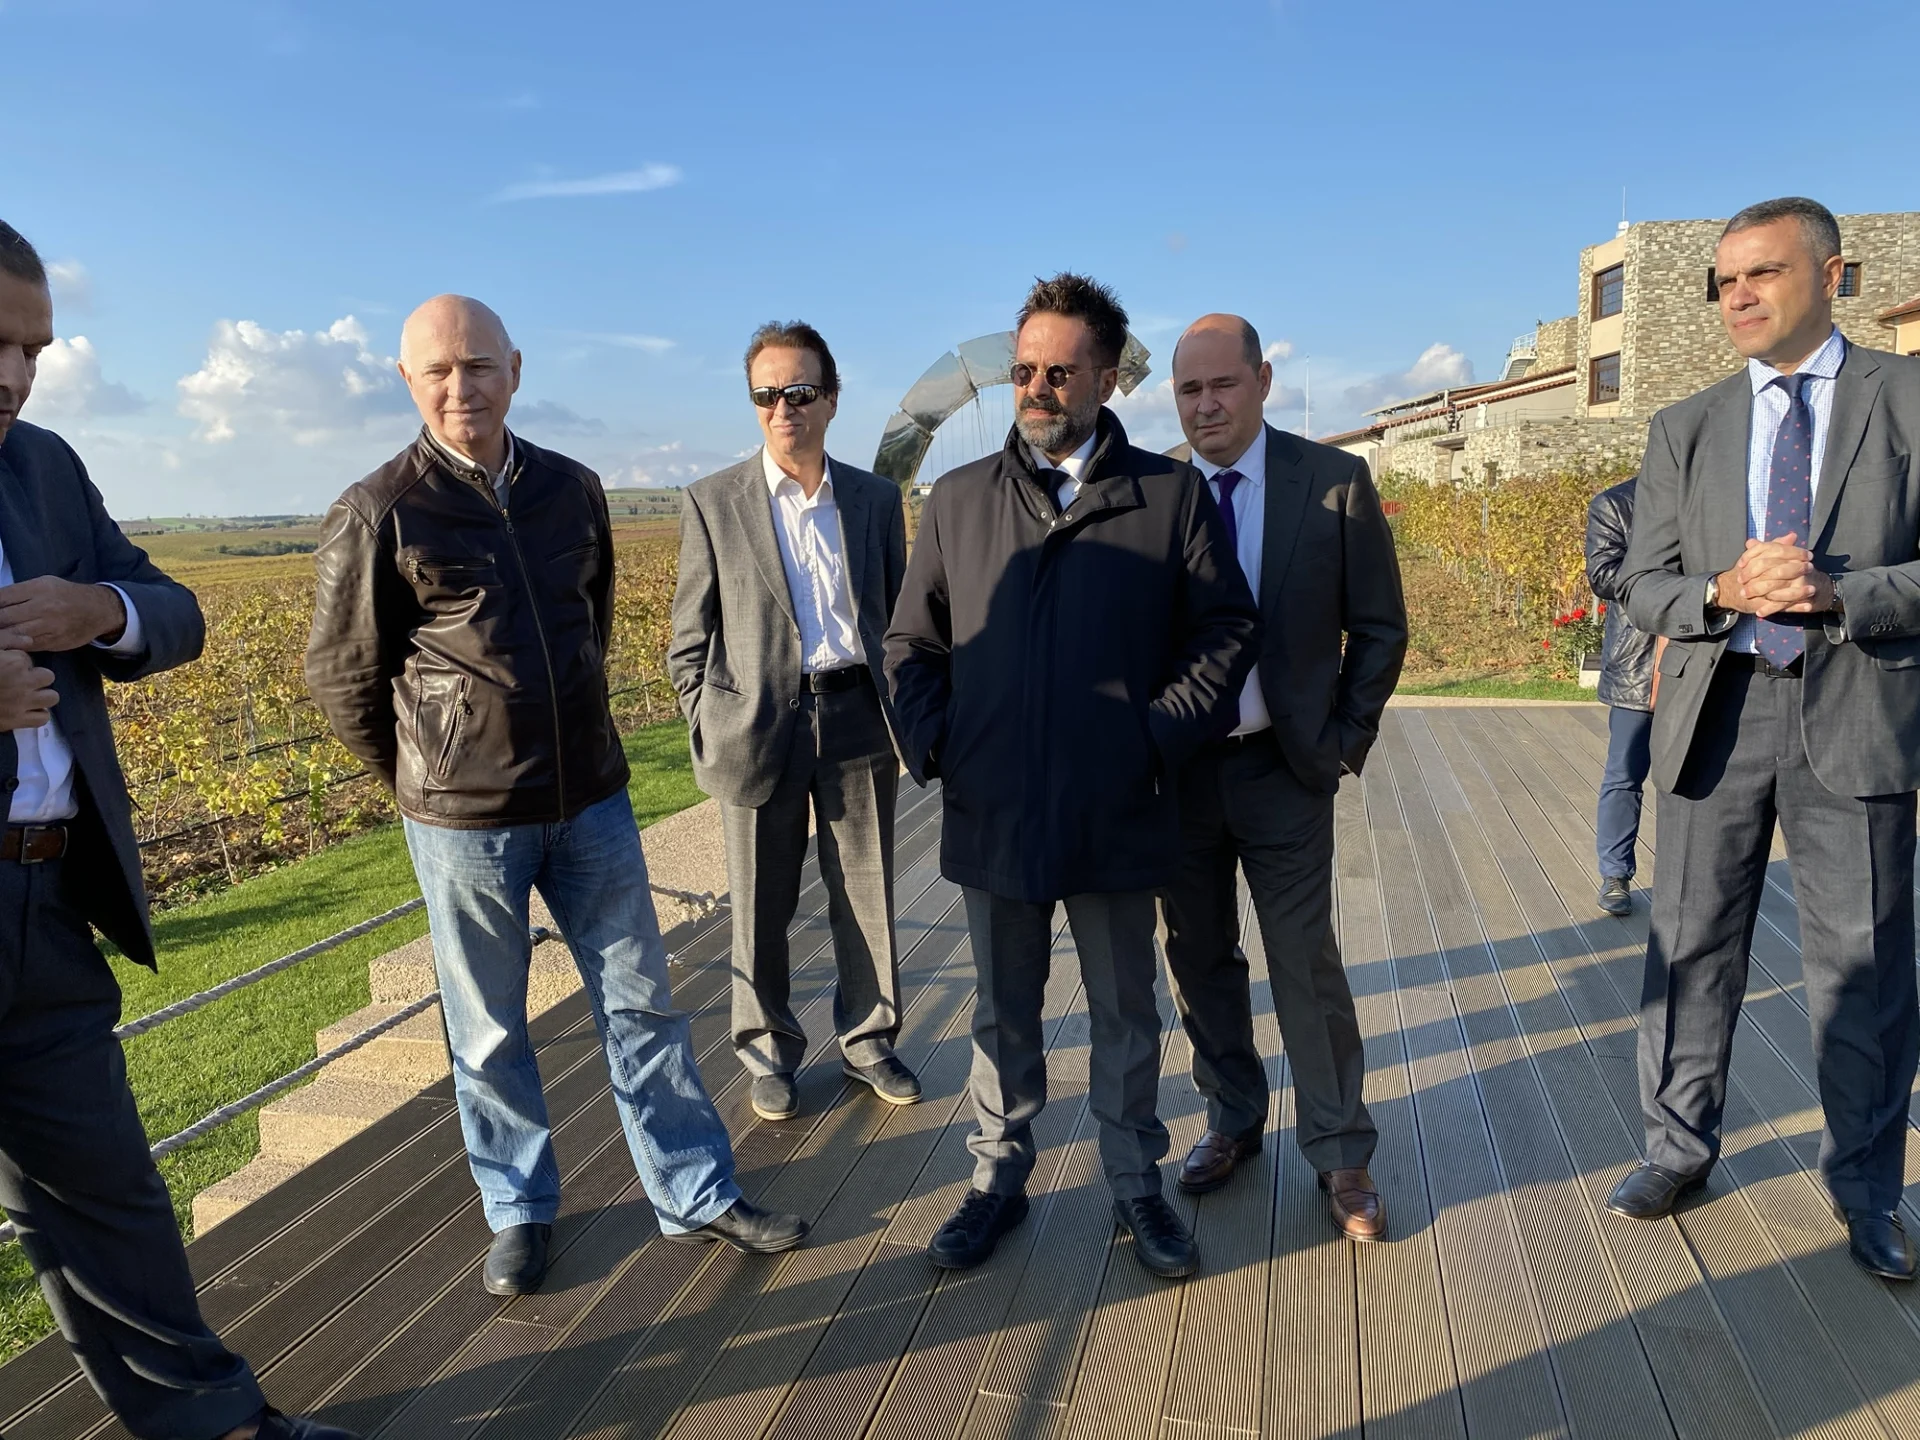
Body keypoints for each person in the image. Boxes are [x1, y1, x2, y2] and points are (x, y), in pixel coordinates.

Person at [307, 295, 807, 1299]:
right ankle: (518, 1210)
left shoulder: (573, 489)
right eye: (439, 370)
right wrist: (428, 770)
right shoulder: (378, 511)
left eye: (479, 365)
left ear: (516, 369)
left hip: (592, 800)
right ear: (408, 381)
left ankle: (695, 1191)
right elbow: (343, 676)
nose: (461, 387)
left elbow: (590, 623)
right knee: (488, 1028)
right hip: (463, 823)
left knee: (644, 1004)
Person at [0, 221, 350, 1439]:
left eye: (35, 349)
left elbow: (176, 608)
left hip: (46, 906)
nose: (15, 375)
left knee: (110, 1199)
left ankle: (218, 1427)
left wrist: (98, 609)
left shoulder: (44, 466)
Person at [885, 274, 1260, 1279]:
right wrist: (941, 746)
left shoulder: (1169, 497)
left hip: (1119, 807)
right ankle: (997, 1180)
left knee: (1124, 1011)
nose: (1037, 389)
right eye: (1023, 372)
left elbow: (1226, 631)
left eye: (1059, 371)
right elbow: (911, 644)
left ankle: (1135, 1186)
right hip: (994, 806)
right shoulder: (957, 501)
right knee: (1001, 1012)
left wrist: (1153, 737)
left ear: (1104, 379)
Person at [1610, 197, 1920, 1282]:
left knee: (1864, 968)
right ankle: (1675, 1150)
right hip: (1717, 711)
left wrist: (1842, 594)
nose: (1737, 296)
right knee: (1690, 946)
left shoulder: (1908, 398)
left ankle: (1868, 1193)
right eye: (1724, 280)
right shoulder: (1685, 425)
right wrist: (1719, 590)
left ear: (1832, 276)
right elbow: (1642, 582)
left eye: (1763, 273)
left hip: (1859, 713)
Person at [1161, 314, 1406, 1240]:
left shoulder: (1334, 483)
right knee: (1198, 958)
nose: (1206, 405)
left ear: (1262, 381)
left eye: (1222, 384)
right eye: (1189, 390)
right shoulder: (1149, 493)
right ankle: (1232, 1117)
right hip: (1180, 777)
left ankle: (1341, 1149)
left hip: (1286, 768)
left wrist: (1342, 739)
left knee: (1304, 959)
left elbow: (1379, 626)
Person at [670, 322, 919, 1123]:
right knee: (758, 901)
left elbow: (900, 619)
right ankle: (769, 1053)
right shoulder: (713, 503)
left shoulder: (875, 500)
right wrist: (710, 721)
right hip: (756, 727)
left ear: (831, 400)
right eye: (767, 394)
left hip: (857, 717)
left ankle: (869, 1040)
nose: (784, 408)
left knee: (866, 892)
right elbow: (688, 640)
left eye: (801, 391)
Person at [1585, 476, 1654, 917]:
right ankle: (1615, 874)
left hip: (1706, 656)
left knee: (1706, 775)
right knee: (1625, 772)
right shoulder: (1616, 503)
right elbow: (1603, 576)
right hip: (1639, 660)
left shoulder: (1711, 493)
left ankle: (1695, 878)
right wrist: (1668, 569)